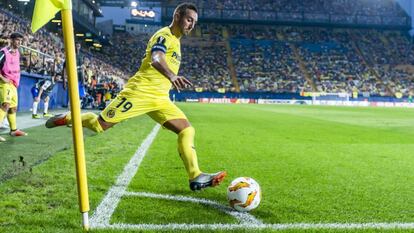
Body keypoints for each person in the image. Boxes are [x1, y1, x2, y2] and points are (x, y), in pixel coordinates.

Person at [46, 2, 226, 190]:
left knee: (187, 130)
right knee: (99, 125)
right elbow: (157, 57)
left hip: (160, 98)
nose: (191, 25)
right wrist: (172, 76)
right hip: (140, 92)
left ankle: (195, 176)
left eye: (194, 22)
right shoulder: (165, 35)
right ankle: (66, 118)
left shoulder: (177, 42)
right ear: (177, 16)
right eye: (189, 20)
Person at [0, 32, 27, 142]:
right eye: (17, 40)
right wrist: (2, 78)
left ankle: (14, 130)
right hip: (4, 83)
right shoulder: (3, 52)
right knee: (5, 105)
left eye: (20, 40)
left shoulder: (18, 52)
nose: (19, 42)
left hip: (14, 84)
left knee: (13, 108)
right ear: (11, 40)